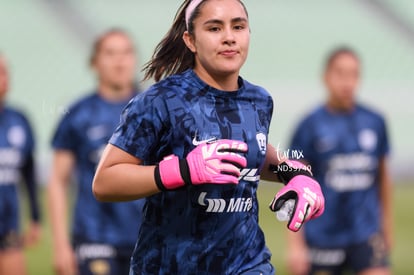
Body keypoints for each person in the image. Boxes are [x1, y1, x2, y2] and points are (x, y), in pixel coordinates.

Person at [92, 1, 325, 274]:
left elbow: (252, 152)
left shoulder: (259, 100)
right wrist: (183, 170)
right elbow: (105, 182)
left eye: (238, 26)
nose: (229, 36)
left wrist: (296, 174)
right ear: (190, 40)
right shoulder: (161, 101)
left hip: (248, 265)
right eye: (214, 28)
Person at [286, 47, 393, 275]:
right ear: (326, 77)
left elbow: (383, 179)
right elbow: (294, 185)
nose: (347, 81)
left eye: (354, 74)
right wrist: (295, 245)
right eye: (340, 73)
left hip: (365, 233)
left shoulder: (375, 122)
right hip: (323, 235)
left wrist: (387, 230)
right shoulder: (309, 126)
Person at [47, 29, 145, 275]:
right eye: (110, 53)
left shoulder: (152, 110)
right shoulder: (78, 113)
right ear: (94, 62)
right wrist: (60, 245)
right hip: (95, 239)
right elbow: (58, 182)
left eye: (126, 53)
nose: (119, 61)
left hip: (146, 237)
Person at [0, 53, 41, 275]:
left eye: (5, 72)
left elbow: (28, 171)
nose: (3, 78)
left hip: (8, 226)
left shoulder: (19, 120)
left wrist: (35, 217)